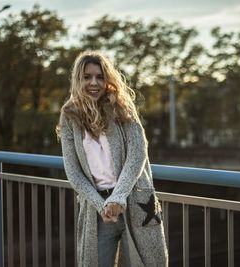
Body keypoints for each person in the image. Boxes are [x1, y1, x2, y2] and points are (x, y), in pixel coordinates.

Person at [56, 50, 168, 267]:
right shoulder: (69, 114)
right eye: (87, 77)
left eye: (99, 76)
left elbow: (138, 152)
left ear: (107, 78)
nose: (94, 83)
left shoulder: (121, 106)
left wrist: (118, 198)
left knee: (145, 262)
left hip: (135, 203)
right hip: (98, 210)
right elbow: (73, 171)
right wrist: (102, 205)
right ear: (78, 79)